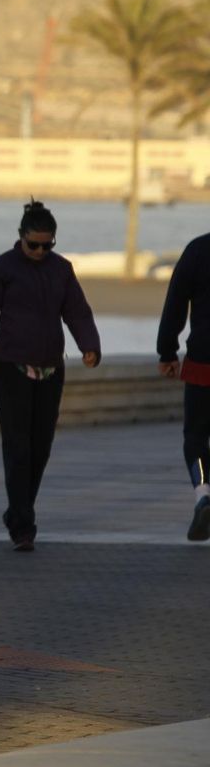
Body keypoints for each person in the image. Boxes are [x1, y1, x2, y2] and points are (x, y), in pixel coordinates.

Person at [0, 200, 100, 552]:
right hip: (10, 368)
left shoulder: (61, 270)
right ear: (20, 237)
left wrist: (89, 346)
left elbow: (77, 313)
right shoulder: (1, 269)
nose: (39, 251)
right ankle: (23, 525)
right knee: (18, 447)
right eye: (33, 244)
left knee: (40, 448)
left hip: (51, 369)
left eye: (46, 245)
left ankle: (20, 510)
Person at [157, 231, 210, 541]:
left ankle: (203, 494)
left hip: (203, 360)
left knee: (196, 436)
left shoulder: (198, 250)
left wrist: (167, 351)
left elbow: (175, 303)